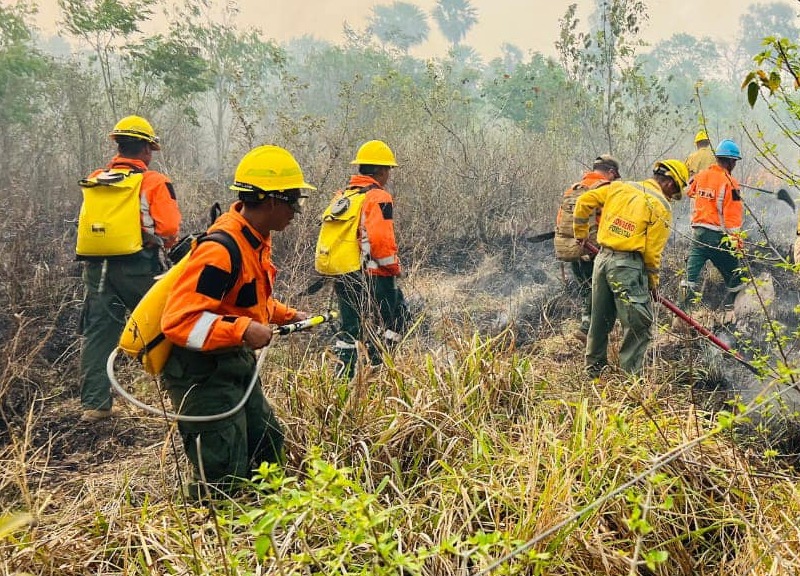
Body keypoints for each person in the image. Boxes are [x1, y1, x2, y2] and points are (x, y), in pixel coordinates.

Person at [160, 145, 313, 493]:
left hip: (232, 362)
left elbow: (246, 299)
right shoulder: (220, 251)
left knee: (267, 446)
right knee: (223, 473)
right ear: (271, 201)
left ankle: (270, 516)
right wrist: (243, 330)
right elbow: (179, 322)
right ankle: (215, 522)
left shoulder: (253, 240)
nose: (296, 211)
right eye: (293, 201)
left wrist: (289, 315)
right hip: (202, 374)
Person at [77, 115, 181, 422]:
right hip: (138, 267)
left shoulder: (96, 177)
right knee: (162, 327)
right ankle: (183, 396)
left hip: (97, 268)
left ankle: (95, 405)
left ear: (119, 146)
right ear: (146, 150)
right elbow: (169, 228)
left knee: (99, 333)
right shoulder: (153, 182)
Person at [574, 159, 688, 377]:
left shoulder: (619, 187)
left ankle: (593, 374)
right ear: (670, 184)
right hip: (627, 266)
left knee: (599, 320)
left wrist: (581, 234)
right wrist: (652, 283)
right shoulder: (660, 206)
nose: (672, 197)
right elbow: (652, 253)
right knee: (638, 325)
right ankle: (630, 382)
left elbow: (583, 202)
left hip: (602, 260)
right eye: (674, 192)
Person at [321, 140, 410, 380]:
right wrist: (393, 268)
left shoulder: (344, 196)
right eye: (388, 169)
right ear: (381, 170)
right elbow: (380, 240)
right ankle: (377, 370)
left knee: (350, 329)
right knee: (396, 320)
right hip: (375, 275)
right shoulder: (378, 197)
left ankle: (344, 380)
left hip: (344, 273)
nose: (389, 174)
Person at [554, 155, 621, 342]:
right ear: (611, 172)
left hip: (573, 248)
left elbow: (560, 220)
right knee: (602, 290)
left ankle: (588, 326)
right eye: (615, 176)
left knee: (587, 289)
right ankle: (588, 330)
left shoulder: (573, 189)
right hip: (594, 249)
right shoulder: (607, 190)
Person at [682, 139, 745, 312]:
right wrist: (737, 243)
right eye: (735, 161)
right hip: (718, 238)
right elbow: (733, 218)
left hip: (698, 235)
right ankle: (734, 310)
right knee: (735, 276)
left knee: (689, 278)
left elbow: (689, 190)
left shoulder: (701, 175)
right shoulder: (732, 184)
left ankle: (681, 314)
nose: (735, 165)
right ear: (731, 161)